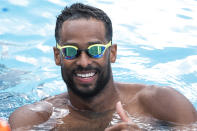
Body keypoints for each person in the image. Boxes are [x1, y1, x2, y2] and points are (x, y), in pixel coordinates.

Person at [9, 3, 197, 131]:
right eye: (71, 51)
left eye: (96, 50)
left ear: (112, 53)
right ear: (57, 56)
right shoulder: (36, 119)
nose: (83, 62)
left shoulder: (163, 103)